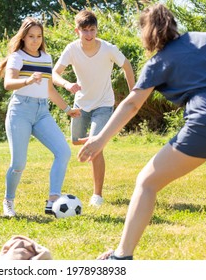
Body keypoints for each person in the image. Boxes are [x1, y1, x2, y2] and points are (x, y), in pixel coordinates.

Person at [78, 3, 206, 260]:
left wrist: (100, 139)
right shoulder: (205, 37)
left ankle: (121, 257)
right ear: (172, 23)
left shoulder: (158, 62)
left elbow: (132, 104)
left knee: (147, 182)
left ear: (146, 33)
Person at [0, 17, 81, 217]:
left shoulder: (46, 58)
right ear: (23, 37)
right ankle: (8, 201)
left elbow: (49, 89)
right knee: (18, 164)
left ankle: (53, 200)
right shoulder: (17, 56)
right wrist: (27, 81)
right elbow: (8, 83)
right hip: (20, 111)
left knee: (63, 151)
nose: (35, 40)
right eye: (31, 36)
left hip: (42, 112)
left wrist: (67, 109)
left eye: (39, 36)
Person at [52, 10, 135, 207]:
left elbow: (127, 66)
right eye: (85, 30)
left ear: (97, 29)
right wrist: (67, 85)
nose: (89, 35)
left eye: (92, 30)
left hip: (104, 104)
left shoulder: (108, 48)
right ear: (76, 31)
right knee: (75, 141)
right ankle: (95, 140)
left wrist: (134, 94)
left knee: (96, 148)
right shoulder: (71, 49)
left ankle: (97, 195)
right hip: (81, 104)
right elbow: (54, 74)